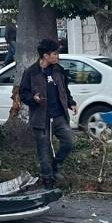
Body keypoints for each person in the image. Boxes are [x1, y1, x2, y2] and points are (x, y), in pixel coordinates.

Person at [19, 38, 78, 188]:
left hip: (59, 115)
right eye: (54, 54)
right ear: (45, 55)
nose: (57, 56)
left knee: (69, 142)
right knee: (44, 151)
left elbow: (65, 90)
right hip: (41, 118)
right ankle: (47, 180)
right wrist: (33, 99)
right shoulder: (31, 72)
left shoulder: (59, 70)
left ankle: (55, 166)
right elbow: (23, 94)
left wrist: (71, 102)